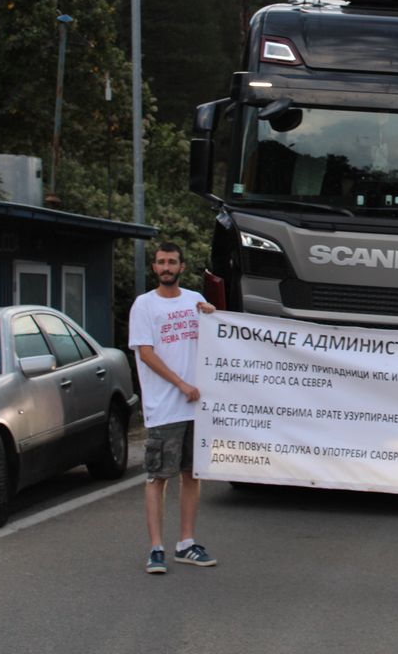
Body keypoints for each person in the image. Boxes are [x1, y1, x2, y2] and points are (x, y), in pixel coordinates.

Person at [129, 242, 218, 575]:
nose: (166, 267)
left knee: (191, 476)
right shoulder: (144, 305)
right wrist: (180, 384)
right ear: (154, 268)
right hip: (165, 408)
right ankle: (156, 547)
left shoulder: (195, 300)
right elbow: (146, 352)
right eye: (161, 262)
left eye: (172, 262)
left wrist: (213, 316)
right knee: (157, 477)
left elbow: (216, 338)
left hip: (195, 408)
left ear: (182, 266)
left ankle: (186, 543)